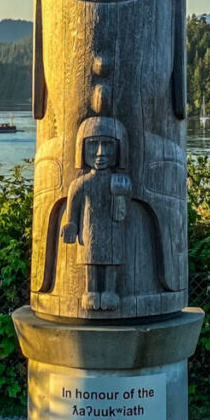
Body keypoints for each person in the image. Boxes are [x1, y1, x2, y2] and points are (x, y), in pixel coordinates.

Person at [61, 117, 132, 311]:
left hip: (112, 229)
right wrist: (71, 225)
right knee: (90, 260)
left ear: (119, 148)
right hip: (88, 232)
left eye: (108, 144)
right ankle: (91, 290)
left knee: (111, 259)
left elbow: (122, 213)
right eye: (93, 144)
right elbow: (73, 209)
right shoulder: (80, 183)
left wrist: (119, 194)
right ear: (81, 148)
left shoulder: (120, 181)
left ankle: (110, 291)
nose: (101, 152)